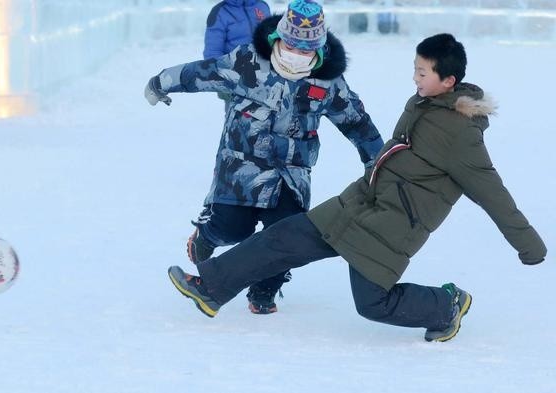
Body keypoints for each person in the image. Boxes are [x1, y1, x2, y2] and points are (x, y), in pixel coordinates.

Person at [167, 33, 547, 342]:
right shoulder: (425, 103)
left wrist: (528, 245)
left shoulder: (462, 134)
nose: (415, 78)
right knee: (283, 237)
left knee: (372, 304)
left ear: (448, 81)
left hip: (391, 225)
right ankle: (211, 288)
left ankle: (446, 305)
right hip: (358, 203)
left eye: (423, 72)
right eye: (415, 69)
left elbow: (493, 192)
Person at [145, 0, 385, 314]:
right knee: (234, 229)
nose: (297, 55)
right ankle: (206, 234)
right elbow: (204, 72)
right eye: (291, 46)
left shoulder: (327, 82)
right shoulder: (247, 61)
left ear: (319, 48)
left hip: (291, 172)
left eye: (306, 51)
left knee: (286, 235)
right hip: (240, 169)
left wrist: (378, 162)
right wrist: (161, 82)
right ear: (278, 39)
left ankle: (264, 291)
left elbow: (356, 122)